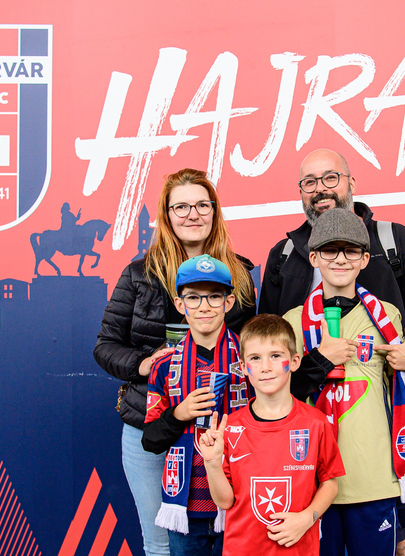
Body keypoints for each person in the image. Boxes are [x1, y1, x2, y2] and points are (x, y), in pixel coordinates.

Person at [259, 149, 405, 555]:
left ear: (351, 183)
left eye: (331, 178)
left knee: (396, 538)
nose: (321, 189)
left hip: (377, 439)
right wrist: (318, 360)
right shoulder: (284, 254)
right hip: (304, 447)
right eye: (310, 182)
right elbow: (267, 350)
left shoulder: (392, 242)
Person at [93, 168, 255, 556]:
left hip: (222, 429)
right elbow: (105, 346)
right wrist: (145, 364)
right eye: (181, 207)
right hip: (150, 424)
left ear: (215, 211)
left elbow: (252, 349)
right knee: (161, 542)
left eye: (202, 205)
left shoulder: (240, 274)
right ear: (166, 216)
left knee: (229, 537)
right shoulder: (139, 274)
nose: (192, 214)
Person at [283, 209, 405, 556]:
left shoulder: (387, 315)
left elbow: (399, 389)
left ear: (364, 260)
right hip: (312, 482)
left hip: (373, 478)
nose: (341, 259)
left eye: (351, 251)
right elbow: (280, 396)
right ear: (314, 258)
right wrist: (321, 359)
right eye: (330, 250)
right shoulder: (293, 322)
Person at [198, 314, 345, 555]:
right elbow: (225, 502)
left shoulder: (315, 423)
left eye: (275, 356)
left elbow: (330, 483)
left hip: (298, 550)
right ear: (243, 367)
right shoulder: (231, 427)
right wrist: (212, 464)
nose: (265, 367)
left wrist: (307, 518)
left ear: (294, 361)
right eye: (255, 358)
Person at [141, 254, 254, 556]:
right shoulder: (165, 365)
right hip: (187, 509)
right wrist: (179, 413)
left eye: (214, 296)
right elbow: (150, 440)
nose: (204, 306)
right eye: (193, 297)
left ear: (229, 302)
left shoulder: (250, 357)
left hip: (241, 500)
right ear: (180, 305)